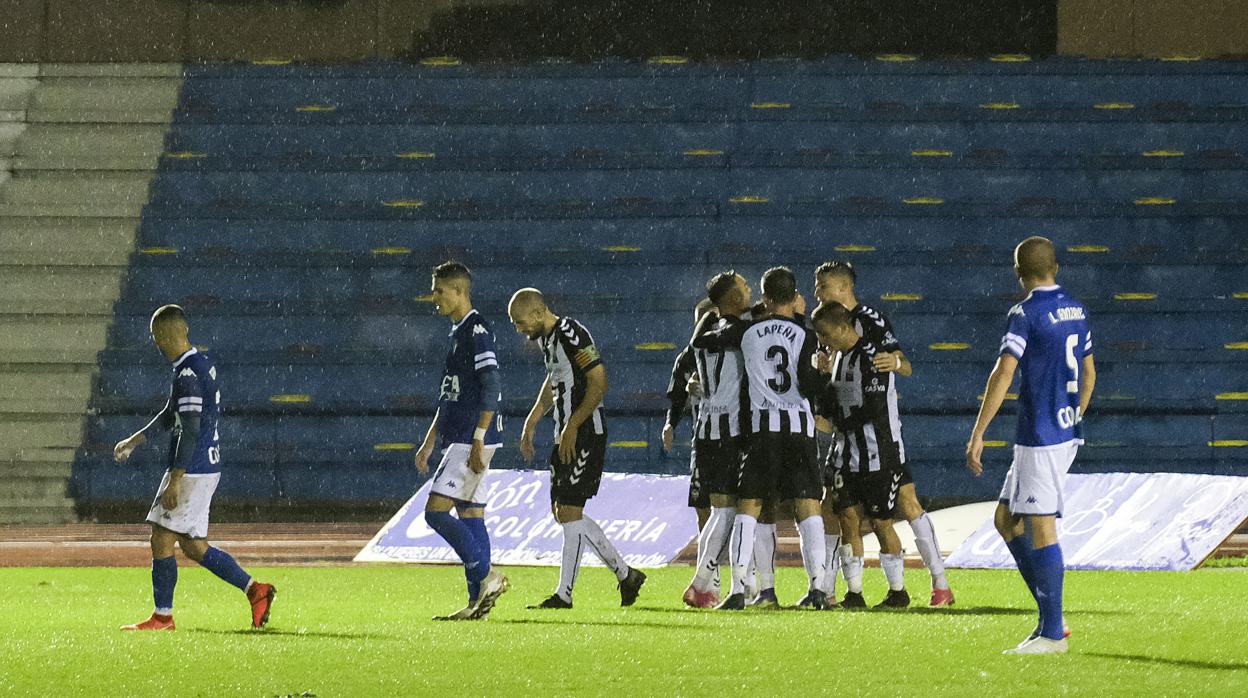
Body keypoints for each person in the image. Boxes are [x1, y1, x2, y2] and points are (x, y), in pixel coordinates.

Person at [966, 236, 1095, 655]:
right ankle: (1048, 617)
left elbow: (1004, 372)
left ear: (1018, 272)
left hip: (1041, 435)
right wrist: (1076, 414)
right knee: (1006, 519)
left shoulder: (1025, 313)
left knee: (1041, 526)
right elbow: (1090, 372)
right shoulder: (1076, 308)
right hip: (1061, 430)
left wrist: (979, 431)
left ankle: (1054, 632)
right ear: (1056, 266)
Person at [113, 305, 275, 631]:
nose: (156, 344)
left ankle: (163, 617)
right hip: (206, 465)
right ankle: (255, 591)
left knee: (161, 537)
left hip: (193, 468)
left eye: (156, 337)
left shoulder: (187, 374)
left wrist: (175, 478)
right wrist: (135, 439)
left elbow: (189, 428)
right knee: (194, 546)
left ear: (163, 335)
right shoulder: (199, 365)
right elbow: (171, 414)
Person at [814, 260, 954, 607]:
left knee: (901, 508)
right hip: (849, 440)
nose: (817, 292)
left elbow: (902, 363)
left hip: (880, 436)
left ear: (844, 288)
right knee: (838, 511)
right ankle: (833, 589)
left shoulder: (870, 322)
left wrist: (897, 363)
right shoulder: (826, 328)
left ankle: (938, 583)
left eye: (823, 286)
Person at [695, 267, 829, 610]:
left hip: (761, 430)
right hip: (799, 428)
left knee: (749, 507)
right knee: (808, 507)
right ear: (795, 295)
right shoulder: (805, 334)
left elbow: (707, 341)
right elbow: (808, 385)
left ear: (766, 297)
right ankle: (818, 589)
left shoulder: (747, 332)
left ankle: (740, 590)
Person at [509, 288, 647, 608]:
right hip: (565, 433)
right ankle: (626, 575)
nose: (519, 329)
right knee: (564, 514)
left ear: (539, 312)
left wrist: (573, 426)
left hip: (585, 432)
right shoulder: (547, 340)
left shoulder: (572, 333)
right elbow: (554, 380)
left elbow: (599, 382)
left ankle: (564, 595)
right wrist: (532, 421)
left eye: (520, 322)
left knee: (570, 512)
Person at [414, 262, 510, 620]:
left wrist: (480, 438)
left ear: (459, 291)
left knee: (435, 514)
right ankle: (477, 605)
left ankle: (486, 576)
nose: (434, 297)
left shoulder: (477, 330)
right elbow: (450, 395)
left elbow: (492, 385)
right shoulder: (459, 330)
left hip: (472, 437)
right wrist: (429, 440)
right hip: (462, 434)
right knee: (470, 514)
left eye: (439, 291)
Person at [811, 302, 911, 609]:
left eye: (826, 334)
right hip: (846, 453)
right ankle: (854, 593)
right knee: (847, 520)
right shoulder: (838, 358)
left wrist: (835, 422)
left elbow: (873, 407)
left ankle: (898, 591)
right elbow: (832, 402)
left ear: (843, 328)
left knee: (882, 522)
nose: (823, 341)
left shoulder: (873, 357)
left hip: (878, 453)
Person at [679, 273, 752, 608]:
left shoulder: (702, 335)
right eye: (745, 288)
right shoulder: (738, 332)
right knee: (729, 511)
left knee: (719, 511)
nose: (750, 291)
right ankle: (703, 583)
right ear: (733, 299)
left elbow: (700, 340)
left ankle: (705, 583)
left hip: (705, 429)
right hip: (729, 431)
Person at [662, 299, 716, 531]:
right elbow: (677, 398)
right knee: (701, 504)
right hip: (702, 439)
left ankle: (739, 559)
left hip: (734, 435)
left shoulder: (735, 347)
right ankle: (710, 563)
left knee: (731, 504)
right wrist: (670, 425)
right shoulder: (687, 358)